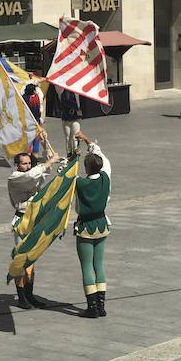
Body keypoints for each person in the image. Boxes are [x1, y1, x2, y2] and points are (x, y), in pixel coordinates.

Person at [8, 146, 60, 309]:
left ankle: (30, 295)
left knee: (31, 260)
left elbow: (41, 175)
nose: (28, 166)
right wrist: (49, 162)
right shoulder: (14, 177)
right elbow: (31, 176)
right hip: (22, 221)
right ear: (17, 165)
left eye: (29, 163)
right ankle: (22, 296)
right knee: (21, 258)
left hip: (34, 220)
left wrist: (51, 158)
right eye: (24, 163)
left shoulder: (31, 174)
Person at [72, 131, 112, 318]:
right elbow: (101, 155)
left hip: (86, 227)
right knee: (99, 265)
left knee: (87, 266)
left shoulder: (79, 183)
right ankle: (102, 306)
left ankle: (92, 307)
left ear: (87, 168)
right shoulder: (106, 177)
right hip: (102, 225)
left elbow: (65, 178)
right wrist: (88, 140)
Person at [59, 88, 82, 160]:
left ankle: (76, 152)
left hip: (76, 117)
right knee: (67, 137)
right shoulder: (62, 93)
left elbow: (82, 104)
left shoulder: (78, 92)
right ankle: (69, 153)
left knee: (75, 136)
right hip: (66, 118)